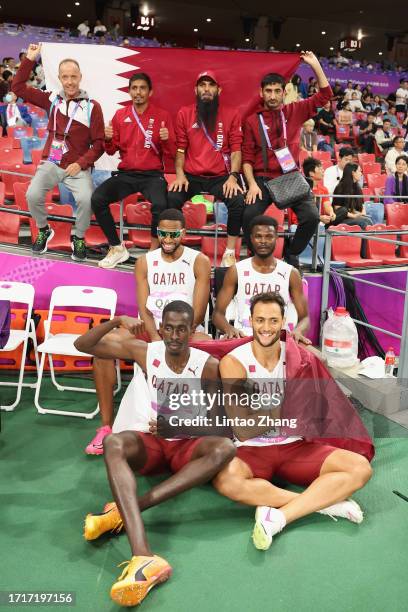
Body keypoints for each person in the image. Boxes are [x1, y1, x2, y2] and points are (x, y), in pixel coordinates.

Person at [74, 301, 236, 607]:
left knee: (224, 449)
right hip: (152, 442)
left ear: (192, 331)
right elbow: (83, 344)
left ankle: (123, 512)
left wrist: (177, 424)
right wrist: (114, 321)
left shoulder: (207, 366)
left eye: (182, 329)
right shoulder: (145, 352)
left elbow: (222, 427)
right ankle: (144, 556)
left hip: (186, 445)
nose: (175, 336)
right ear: (160, 330)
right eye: (169, 328)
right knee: (113, 443)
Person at [213, 292, 373, 551]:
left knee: (360, 468)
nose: (266, 328)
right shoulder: (234, 362)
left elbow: (318, 392)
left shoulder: (297, 358)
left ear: (284, 321)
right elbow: (242, 429)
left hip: (293, 445)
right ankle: (324, 504)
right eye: (260, 320)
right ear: (250, 321)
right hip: (252, 450)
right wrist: (286, 409)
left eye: (273, 321)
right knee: (226, 481)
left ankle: (279, 516)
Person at [86, 209, 211, 455]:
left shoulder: (199, 260)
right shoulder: (145, 261)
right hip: (153, 328)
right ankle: (106, 428)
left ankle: (198, 422)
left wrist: (173, 338)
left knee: (208, 349)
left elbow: (198, 311)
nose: (167, 238)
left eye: (173, 233)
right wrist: (155, 338)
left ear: (183, 233)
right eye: (162, 233)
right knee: (103, 349)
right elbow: (144, 307)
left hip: (185, 331)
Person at [12, 43, 105, 261]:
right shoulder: (51, 99)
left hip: (76, 167)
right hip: (52, 162)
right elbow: (17, 88)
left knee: (86, 199)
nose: (70, 81)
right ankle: (44, 229)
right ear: (60, 78)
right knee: (32, 195)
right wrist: (30, 59)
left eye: (73, 76)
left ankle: (79, 238)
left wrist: (81, 164)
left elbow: (99, 144)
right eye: (65, 77)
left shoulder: (93, 107)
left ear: (80, 77)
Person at [241, 51, 332, 267]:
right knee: (248, 216)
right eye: (268, 91)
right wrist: (252, 184)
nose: (272, 96)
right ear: (261, 93)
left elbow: (325, 95)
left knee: (311, 216)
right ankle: (259, 259)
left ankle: (291, 254)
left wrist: (315, 65)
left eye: (277, 91)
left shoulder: (295, 111)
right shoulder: (252, 120)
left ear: (284, 93)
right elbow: (246, 157)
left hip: (290, 178)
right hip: (262, 180)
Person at [91, 72, 176, 268]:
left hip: (152, 175)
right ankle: (117, 247)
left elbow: (170, 153)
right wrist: (108, 138)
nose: (138, 92)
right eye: (134, 88)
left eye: (142, 88)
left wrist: (166, 139)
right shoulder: (121, 115)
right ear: (129, 91)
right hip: (127, 174)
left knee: (161, 205)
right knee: (98, 199)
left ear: (150, 91)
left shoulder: (162, 116)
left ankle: (154, 253)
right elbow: (111, 151)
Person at [167, 70, 245, 267]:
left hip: (221, 176)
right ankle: (174, 246)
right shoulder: (185, 113)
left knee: (237, 201)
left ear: (219, 90)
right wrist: (179, 174)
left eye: (211, 85)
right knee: (171, 198)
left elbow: (236, 150)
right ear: (196, 89)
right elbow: (180, 148)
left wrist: (233, 177)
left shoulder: (232, 114)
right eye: (203, 85)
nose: (207, 89)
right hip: (192, 175)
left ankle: (229, 252)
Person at [212, 215, 310, 341]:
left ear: (276, 238)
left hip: (278, 340)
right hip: (244, 338)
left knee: (321, 359)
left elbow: (305, 318)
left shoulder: (291, 273)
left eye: (269, 236)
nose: (263, 241)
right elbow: (217, 314)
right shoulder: (236, 271)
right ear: (251, 239)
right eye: (258, 236)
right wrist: (229, 329)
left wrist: (298, 331)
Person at [331, 163, 381, 229]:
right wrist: (354, 216)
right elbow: (337, 208)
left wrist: (363, 213)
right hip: (342, 219)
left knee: (368, 219)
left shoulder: (357, 187)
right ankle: (369, 239)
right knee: (363, 222)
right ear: (353, 173)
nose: (361, 174)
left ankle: (370, 238)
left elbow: (362, 204)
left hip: (354, 215)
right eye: (359, 171)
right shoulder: (340, 187)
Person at [302, 157, 335, 224]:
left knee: (341, 212)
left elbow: (327, 206)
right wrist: (319, 217)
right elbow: (305, 212)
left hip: (320, 221)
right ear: (311, 173)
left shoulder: (323, 189)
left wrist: (331, 212)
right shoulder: (303, 190)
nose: (323, 170)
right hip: (303, 223)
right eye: (320, 169)